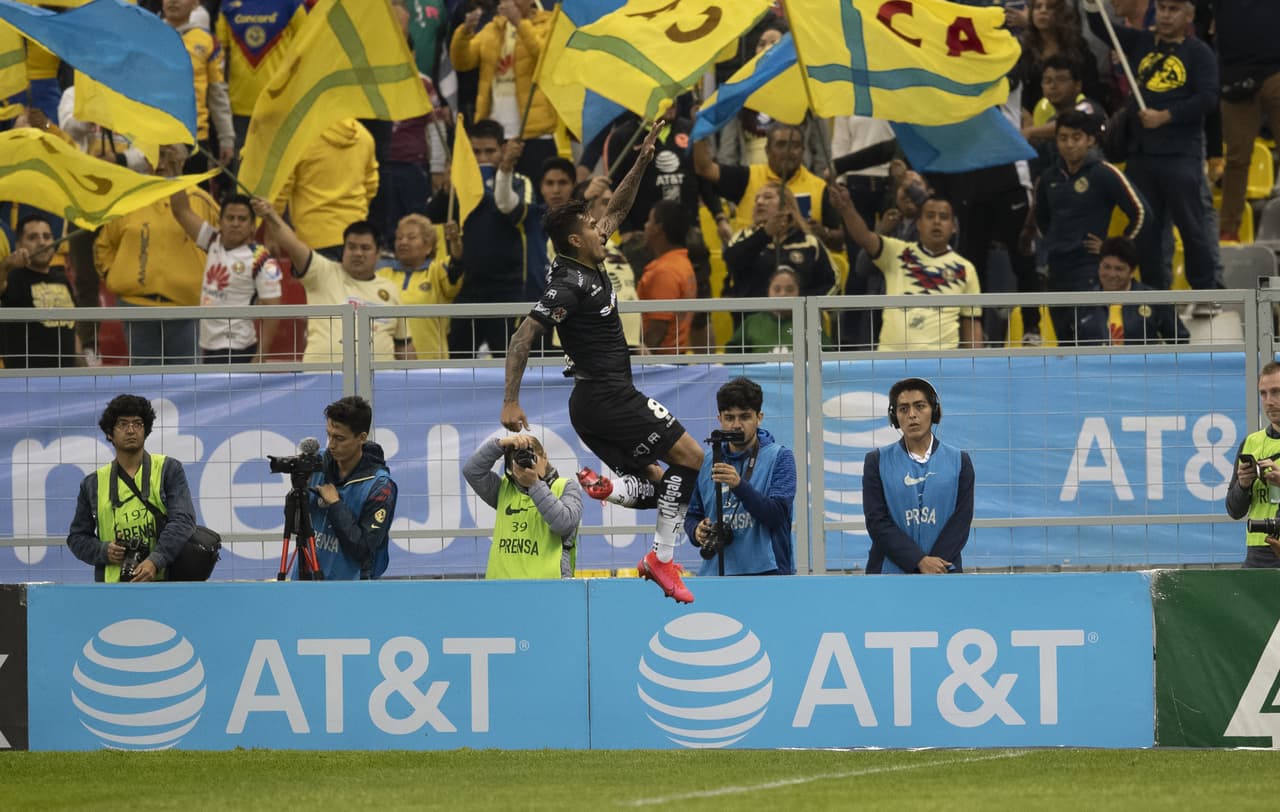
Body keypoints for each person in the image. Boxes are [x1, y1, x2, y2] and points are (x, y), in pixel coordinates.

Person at [500, 122, 705, 604]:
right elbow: (523, 336)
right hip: (607, 395)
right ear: (575, 241)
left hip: (592, 404)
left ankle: (612, 487)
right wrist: (510, 401)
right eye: (591, 228)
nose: (602, 227)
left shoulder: (589, 258)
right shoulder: (568, 285)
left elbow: (617, 206)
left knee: (661, 486)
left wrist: (643, 157)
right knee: (693, 459)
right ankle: (662, 557)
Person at [1085, 0, 1220, 292]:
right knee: (1147, 231)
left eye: (1173, 9)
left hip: (1180, 155)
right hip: (1141, 156)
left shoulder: (1199, 53)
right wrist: (1090, 6)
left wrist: (1167, 116)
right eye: (1162, 8)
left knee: (1191, 228)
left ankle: (1206, 290)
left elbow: (1209, 99)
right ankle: (1154, 293)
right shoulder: (1140, 42)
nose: (1166, 16)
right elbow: (1100, 26)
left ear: (1188, 15)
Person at [1028, 109, 1148, 345]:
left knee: (1090, 339)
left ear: (1090, 139)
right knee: (1064, 343)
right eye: (1063, 138)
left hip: (1089, 269)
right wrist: (1054, 242)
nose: (1069, 145)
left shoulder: (1104, 173)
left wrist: (1112, 249)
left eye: (1076, 137)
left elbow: (1142, 212)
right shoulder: (1049, 177)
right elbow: (1041, 219)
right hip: (1056, 270)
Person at [94, 144, 218, 365]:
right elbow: (103, 246)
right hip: (136, 306)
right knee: (144, 384)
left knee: (188, 384)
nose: (162, 162)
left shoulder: (202, 201)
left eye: (170, 155)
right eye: (157, 155)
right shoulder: (130, 199)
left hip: (186, 309)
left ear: (183, 160)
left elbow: (221, 249)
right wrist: (116, 275)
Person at [253, 198, 411, 363]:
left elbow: (404, 346)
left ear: (378, 254)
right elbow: (291, 243)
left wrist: (415, 384)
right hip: (322, 382)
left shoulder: (390, 289)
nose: (358, 253)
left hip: (378, 385)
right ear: (344, 249)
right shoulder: (322, 272)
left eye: (365, 248)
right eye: (351, 247)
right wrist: (270, 215)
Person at [830, 183, 984, 351]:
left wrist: (973, 369)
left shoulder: (965, 268)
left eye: (944, 217)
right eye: (930, 216)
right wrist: (847, 208)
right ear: (918, 224)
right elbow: (864, 238)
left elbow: (971, 322)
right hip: (890, 359)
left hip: (941, 364)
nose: (937, 222)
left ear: (954, 227)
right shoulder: (897, 252)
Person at [426, 118, 531, 357]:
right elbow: (432, 216)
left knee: (509, 365)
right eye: (475, 152)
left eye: (489, 151)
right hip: (466, 287)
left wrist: (494, 178)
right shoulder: (457, 187)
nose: (482, 157)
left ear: (503, 150)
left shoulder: (519, 182)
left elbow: (516, 214)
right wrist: (446, 188)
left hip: (507, 289)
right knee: (459, 363)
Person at [66, 394, 197, 582]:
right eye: (122, 424)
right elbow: (77, 538)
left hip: (164, 581)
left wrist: (155, 560)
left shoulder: (168, 469)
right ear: (110, 433)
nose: (131, 430)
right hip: (113, 588)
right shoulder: (93, 483)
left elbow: (183, 520)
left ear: (146, 430)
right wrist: (104, 551)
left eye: (138, 424)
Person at [684, 377, 797, 576]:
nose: (736, 425)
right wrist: (696, 531)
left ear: (759, 417)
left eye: (745, 417)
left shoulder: (780, 457)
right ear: (719, 419)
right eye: (729, 417)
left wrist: (739, 485)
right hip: (716, 572)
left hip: (767, 572)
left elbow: (778, 516)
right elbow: (693, 514)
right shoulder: (709, 459)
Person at [863, 378, 974, 574]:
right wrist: (919, 561)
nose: (912, 415)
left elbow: (961, 522)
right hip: (888, 573)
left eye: (920, 406)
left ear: (934, 411)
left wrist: (933, 565)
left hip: (944, 570)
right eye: (903, 409)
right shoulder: (876, 461)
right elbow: (877, 522)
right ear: (895, 416)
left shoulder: (960, 461)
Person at [170, 190, 283, 363]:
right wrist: (173, 173)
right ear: (220, 222)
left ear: (253, 225)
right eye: (230, 218)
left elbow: (273, 309)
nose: (235, 223)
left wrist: (261, 355)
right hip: (207, 347)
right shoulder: (213, 242)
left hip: (238, 348)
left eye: (242, 219)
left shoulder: (262, 260)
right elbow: (181, 211)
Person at [463, 433, 583, 579]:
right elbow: (472, 471)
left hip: (548, 588)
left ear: (544, 458)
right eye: (518, 460)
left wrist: (534, 485)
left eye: (532, 457)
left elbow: (564, 524)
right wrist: (500, 444)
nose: (526, 464)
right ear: (510, 467)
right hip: (501, 586)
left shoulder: (565, 486)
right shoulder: (503, 489)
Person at [305, 396, 397, 580]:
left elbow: (364, 550)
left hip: (352, 591)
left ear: (361, 438)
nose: (331, 444)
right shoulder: (316, 463)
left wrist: (336, 505)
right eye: (328, 434)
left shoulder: (380, 486)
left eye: (339, 438)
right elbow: (296, 527)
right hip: (307, 582)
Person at [274, 118, 380, 259]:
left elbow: (282, 188)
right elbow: (371, 185)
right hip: (355, 235)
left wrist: (272, 226)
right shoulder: (364, 136)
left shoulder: (301, 137)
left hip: (312, 236)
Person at [722, 182, 835, 300]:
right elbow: (731, 261)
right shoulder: (742, 237)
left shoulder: (809, 242)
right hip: (752, 316)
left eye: (768, 197)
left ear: (786, 206)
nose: (759, 202)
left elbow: (832, 285)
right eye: (757, 199)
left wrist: (798, 302)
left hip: (801, 314)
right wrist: (764, 234)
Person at [377, 214, 464, 360]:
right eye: (399, 237)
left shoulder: (436, 272)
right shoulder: (383, 274)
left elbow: (456, 266)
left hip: (431, 365)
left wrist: (455, 241)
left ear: (428, 246)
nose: (403, 242)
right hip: (389, 365)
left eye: (411, 237)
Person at [163, 0, 235, 176]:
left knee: (196, 200)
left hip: (195, 138)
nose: (173, 1)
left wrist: (226, 138)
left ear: (196, 4)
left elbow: (217, 94)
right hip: (155, 137)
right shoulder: (146, 36)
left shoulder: (208, 41)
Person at [0, 213, 80, 368]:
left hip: (67, 379)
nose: (42, 242)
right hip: (27, 381)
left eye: (47, 236)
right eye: (32, 237)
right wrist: (6, 266)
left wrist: (83, 366)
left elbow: (72, 326)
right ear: (18, 245)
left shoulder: (62, 279)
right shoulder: (13, 278)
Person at [1226, 361, 1280, 568]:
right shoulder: (1251, 443)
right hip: (1258, 550)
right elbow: (1234, 510)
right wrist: (1243, 485)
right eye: (1263, 394)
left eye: (1276, 392)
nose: (1269, 401)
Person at [1097, 236, 1189, 344]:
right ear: (1099, 266)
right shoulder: (1081, 302)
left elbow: (1180, 341)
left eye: (1119, 269)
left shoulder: (1155, 301)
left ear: (1132, 271)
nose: (1112, 274)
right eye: (1106, 267)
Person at [637, 200, 696, 355]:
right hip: (674, 360)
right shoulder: (683, 263)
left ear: (658, 228)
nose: (645, 225)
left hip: (660, 367)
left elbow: (657, 331)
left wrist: (637, 363)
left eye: (649, 220)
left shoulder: (665, 272)